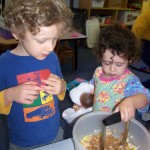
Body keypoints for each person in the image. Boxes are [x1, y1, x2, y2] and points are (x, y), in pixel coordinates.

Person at [0, 0, 73, 149]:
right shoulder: (4, 63)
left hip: (54, 133)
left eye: (54, 39)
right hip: (21, 142)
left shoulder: (51, 57)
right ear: (17, 32)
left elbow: (61, 84)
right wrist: (10, 95)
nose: (50, 47)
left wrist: (61, 87)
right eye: (41, 41)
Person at [92, 24, 150, 122]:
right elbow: (95, 86)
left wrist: (131, 101)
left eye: (119, 64)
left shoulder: (129, 80)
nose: (112, 69)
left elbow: (145, 97)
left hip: (119, 125)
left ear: (129, 60)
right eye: (106, 63)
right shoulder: (98, 71)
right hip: (97, 118)